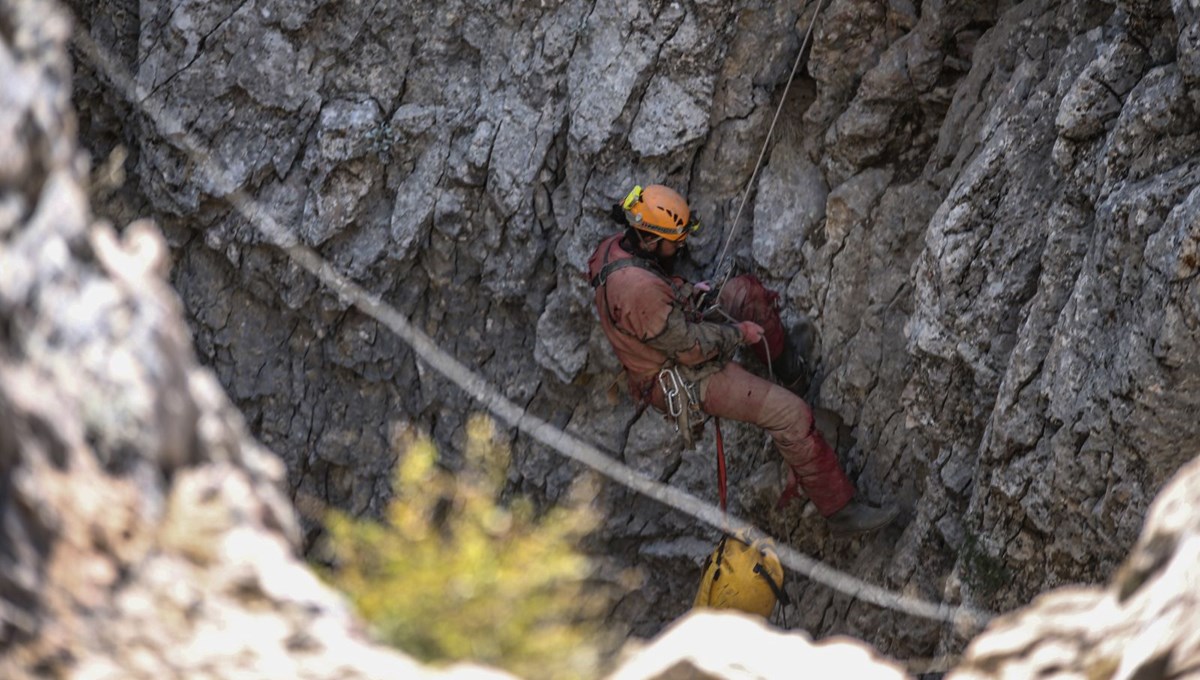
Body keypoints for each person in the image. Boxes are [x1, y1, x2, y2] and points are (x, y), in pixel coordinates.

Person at [587, 183, 897, 537]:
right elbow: (691, 348)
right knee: (791, 414)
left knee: (745, 294)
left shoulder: (618, 249)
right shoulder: (638, 290)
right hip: (679, 375)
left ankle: (789, 369)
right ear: (650, 239)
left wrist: (688, 294)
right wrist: (740, 334)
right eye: (676, 241)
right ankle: (840, 510)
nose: (682, 247)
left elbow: (653, 306)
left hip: (671, 336)